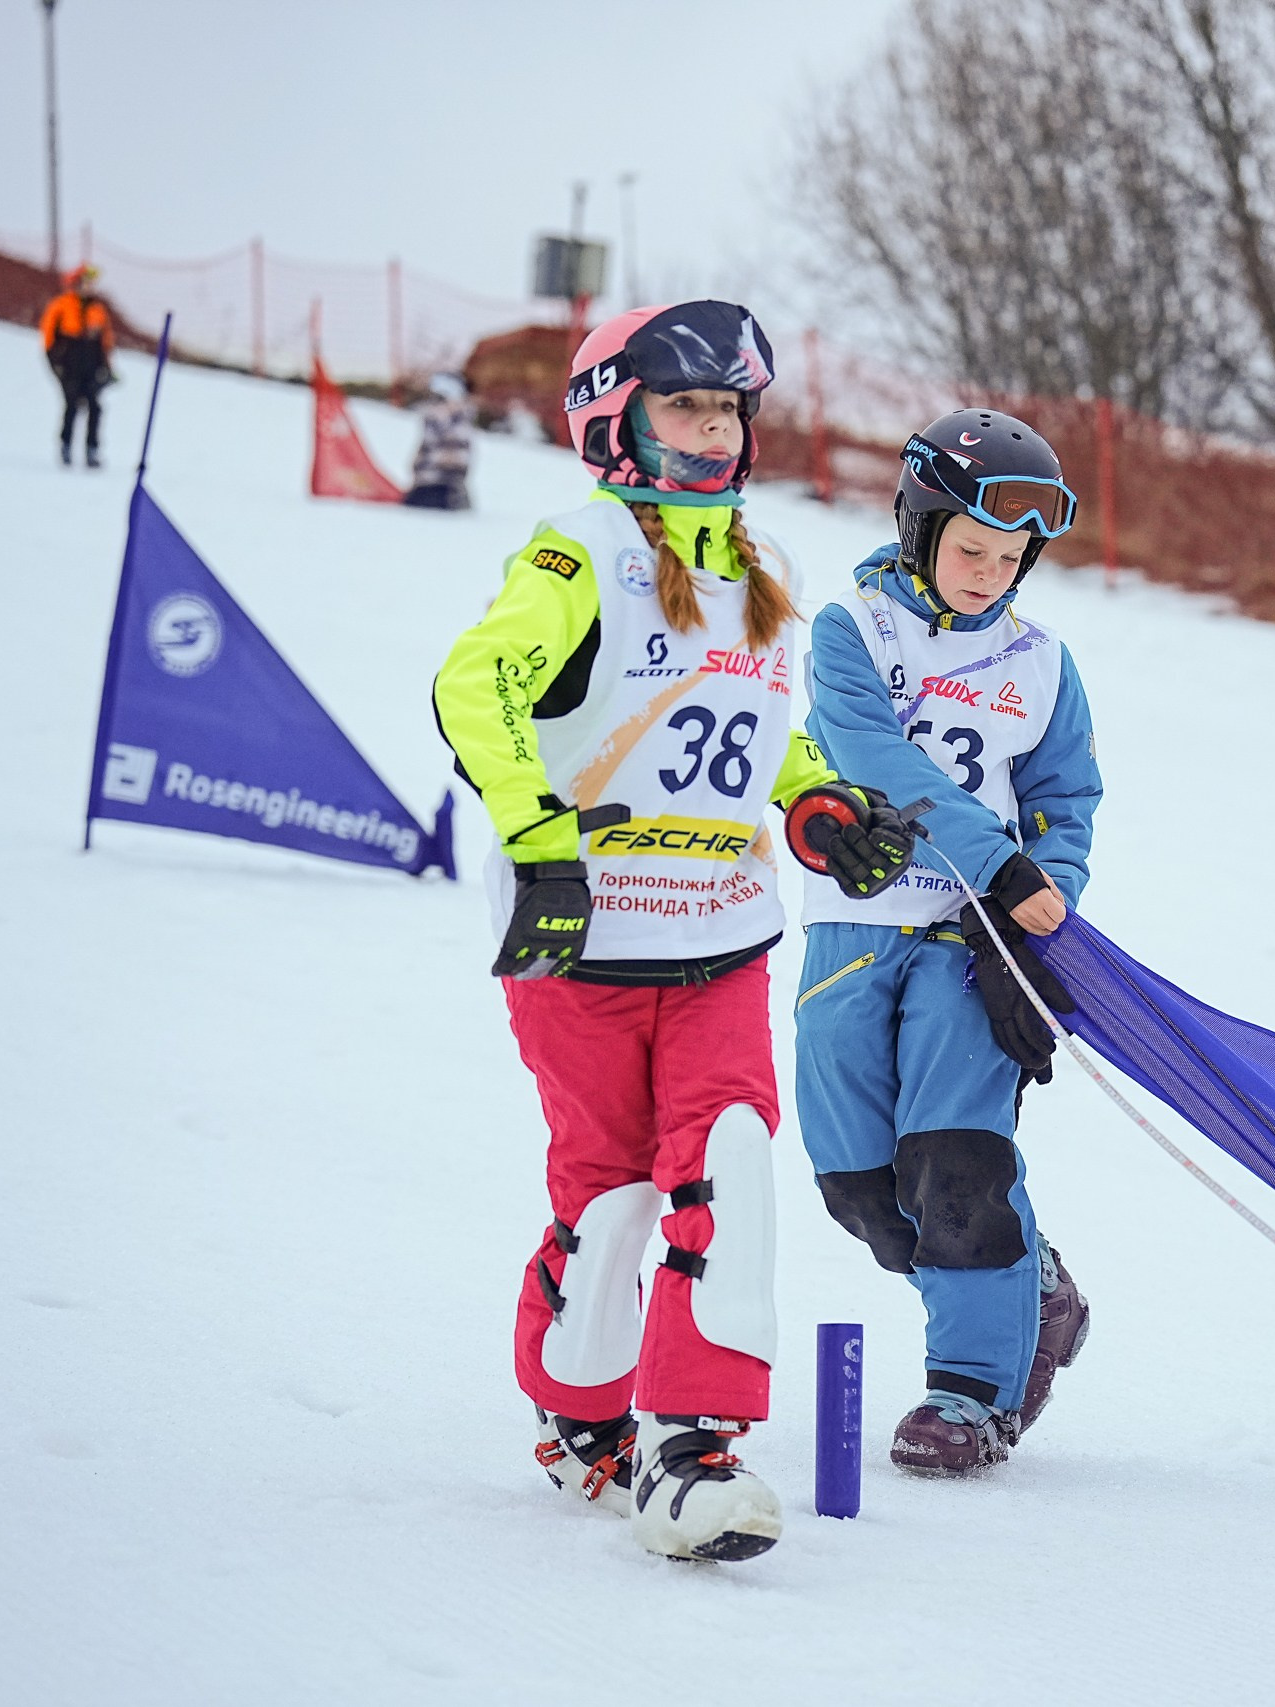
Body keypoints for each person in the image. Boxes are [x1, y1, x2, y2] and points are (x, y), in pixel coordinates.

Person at [429, 300, 917, 1562]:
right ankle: (578, 1407)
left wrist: (815, 806)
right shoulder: (576, 551)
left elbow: (767, 738)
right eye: (682, 406)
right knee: (615, 1198)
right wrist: (539, 842)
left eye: (725, 409)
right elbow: (473, 687)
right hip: (582, 934)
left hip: (721, 930)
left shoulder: (766, 569)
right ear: (615, 419)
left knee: (733, 1163)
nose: (710, 430)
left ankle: (691, 1443)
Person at [787, 408, 1103, 1475]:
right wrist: (996, 860)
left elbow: (1063, 799)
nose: (989, 573)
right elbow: (874, 759)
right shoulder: (852, 631)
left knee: (955, 1163)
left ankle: (970, 1393)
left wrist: (1037, 900)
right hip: (857, 927)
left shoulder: (1043, 663)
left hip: (970, 942)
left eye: (1012, 558)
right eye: (971, 549)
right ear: (921, 527)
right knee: (861, 1186)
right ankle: (1032, 1286)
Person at [39, 265, 113, 468]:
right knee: (71, 406)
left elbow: (105, 341)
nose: (90, 287)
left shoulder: (98, 309)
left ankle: (92, 450)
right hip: (69, 364)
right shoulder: (61, 305)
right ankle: (65, 447)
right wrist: (55, 364)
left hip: (91, 364)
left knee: (95, 408)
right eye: (86, 282)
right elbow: (47, 337)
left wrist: (107, 367)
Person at [404, 371, 474, 510]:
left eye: (438, 398)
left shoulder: (450, 422)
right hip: (434, 487)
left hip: (439, 491)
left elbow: (453, 461)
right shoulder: (448, 420)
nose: (433, 404)